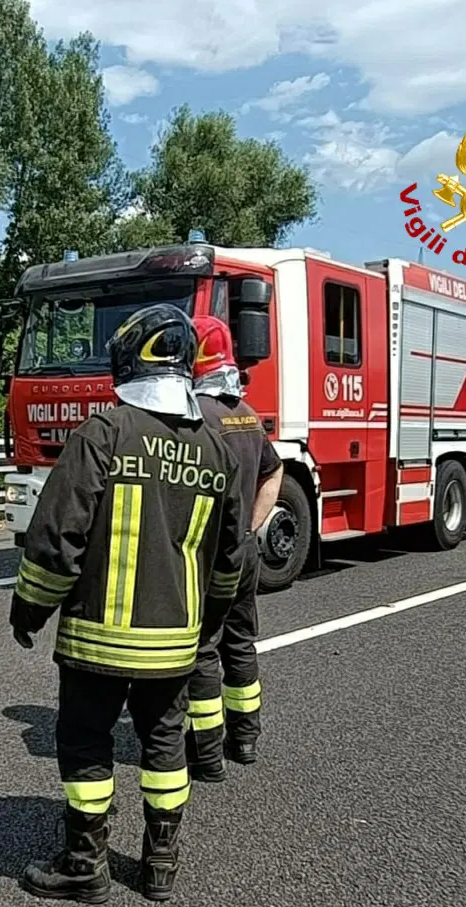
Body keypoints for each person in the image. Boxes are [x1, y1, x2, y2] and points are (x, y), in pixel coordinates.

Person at [9, 304, 246, 903]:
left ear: (128, 357)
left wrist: (30, 608)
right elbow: (228, 559)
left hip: (97, 638)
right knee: (165, 741)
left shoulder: (104, 433)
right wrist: (207, 624)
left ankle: (86, 866)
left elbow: (57, 538)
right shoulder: (216, 451)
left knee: (87, 739)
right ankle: (160, 865)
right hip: (177, 643)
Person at [183, 316, 284, 783]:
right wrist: (253, 524)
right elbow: (273, 472)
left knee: (203, 648)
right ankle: (245, 738)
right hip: (244, 550)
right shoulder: (244, 412)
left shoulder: (194, 416)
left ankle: (206, 753)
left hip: (204, 555)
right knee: (240, 642)